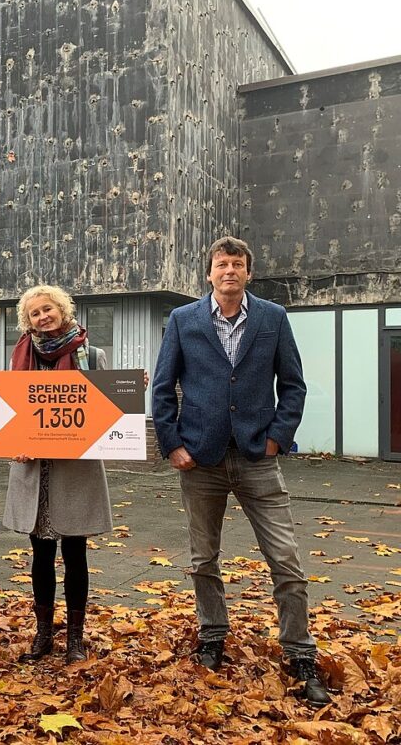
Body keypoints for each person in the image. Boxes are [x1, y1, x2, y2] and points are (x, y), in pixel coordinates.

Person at [151, 236, 331, 707]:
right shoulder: (183, 319)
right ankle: (213, 636)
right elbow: (163, 387)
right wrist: (171, 444)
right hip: (201, 459)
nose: (228, 270)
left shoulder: (273, 318)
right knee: (203, 558)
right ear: (209, 273)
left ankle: (300, 652)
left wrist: (277, 436)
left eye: (237, 264)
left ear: (249, 273)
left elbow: (293, 385)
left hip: (257, 457)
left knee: (286, 560)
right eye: (221, 263)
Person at [3, 284, 126, 664]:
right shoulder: (21, 357)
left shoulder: (93, 355)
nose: (43, 316)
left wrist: (130, 393)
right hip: (34, 469)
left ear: (62, 310)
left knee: (75, 554)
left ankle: (75, 638)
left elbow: (110, 408)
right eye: (35, 313)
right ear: (29, 320)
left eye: (48, 309)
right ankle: (43, 636)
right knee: (40, 555)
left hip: (76, 469)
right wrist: (13, 441)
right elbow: (10, 413)